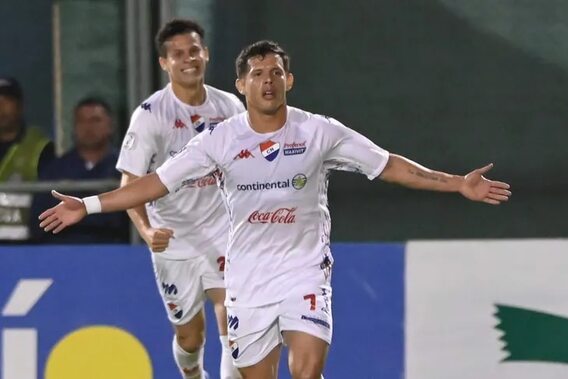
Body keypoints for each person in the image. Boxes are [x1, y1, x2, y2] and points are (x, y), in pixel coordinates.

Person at [39, 40, 512, 379]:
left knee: (306, 370)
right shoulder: (221, 139)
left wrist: (457, 184)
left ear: (289, 80)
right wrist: (89, 203)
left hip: (304, 272)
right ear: (241, 85)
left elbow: (388, 165)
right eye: (257, 74)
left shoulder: (319, 132)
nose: (267, 81)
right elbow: (154, 183)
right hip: (246, 281)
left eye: (275, 72)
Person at [116, 19, 244, 379]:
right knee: (190, 336)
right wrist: (145, 230)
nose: (188, 59)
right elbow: (130, 182)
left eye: (194, 50)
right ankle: (192, 374)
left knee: (233, 316)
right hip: (172, 238)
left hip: (223, 230)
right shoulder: (150, 116)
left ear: (205, 53)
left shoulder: (230, 106)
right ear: (164, 63)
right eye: (178, 54)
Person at [29, 97, 128, 243]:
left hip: (117, 251)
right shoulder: (55, 170)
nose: (88, 127)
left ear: (110, 126)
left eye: (95, 120)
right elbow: (39, 223)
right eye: (82, 121)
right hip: (63, 253)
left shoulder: (126, 168)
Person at [0, 76, 54, 242]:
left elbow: (49, 200)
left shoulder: (40, 147)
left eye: (7, 100)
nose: (1, 107)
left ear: (20, 106)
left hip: (24, 245)